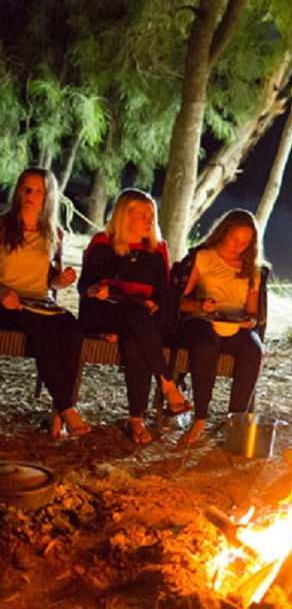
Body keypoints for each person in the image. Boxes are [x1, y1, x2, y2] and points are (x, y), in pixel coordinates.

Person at [78, 190, 191, 443]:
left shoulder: (157, 250)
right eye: (141, 215)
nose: (149, 220)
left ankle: (137, 421)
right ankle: (167, 384)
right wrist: (95, 290)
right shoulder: (102, 244)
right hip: (103, 315)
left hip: (138, 321)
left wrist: (154, 304)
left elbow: (164, 294)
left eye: (151, 215)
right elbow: (84, 286)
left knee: (135, 336)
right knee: (137, 321)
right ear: (123, 216)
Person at [0, 167, 90, 438]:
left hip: (39, 302)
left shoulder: (54, 234)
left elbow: (50, 280)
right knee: (41, 330)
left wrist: (60, 281)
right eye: (27, 188)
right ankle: (67, 409)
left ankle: (59, 411)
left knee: (72, 330)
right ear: (18, 191)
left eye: (39, 191)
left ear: (48, 196)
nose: (31, 195)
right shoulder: (3, 226)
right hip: (7, 302)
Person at [173, 209, 265, 445]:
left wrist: (250, 321)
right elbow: (180, 302)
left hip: (234, 326)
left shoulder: (251, 269)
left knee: (253, 350)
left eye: (245, 242)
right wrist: (202, 305)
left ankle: (235, 422)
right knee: (206, 345)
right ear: (223, 232)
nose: (238, 246)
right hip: (202, 322)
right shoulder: (204, 257)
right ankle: (200, 418)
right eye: (234, 239)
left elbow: (253, 314)